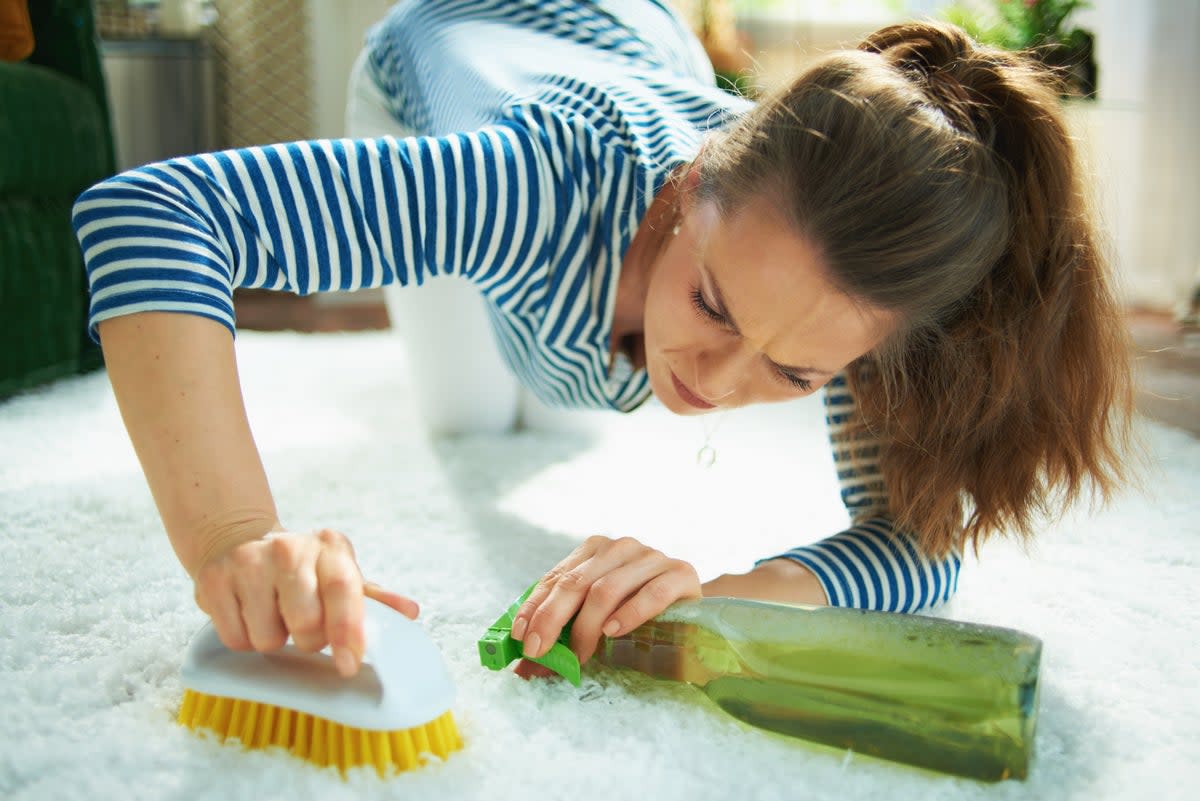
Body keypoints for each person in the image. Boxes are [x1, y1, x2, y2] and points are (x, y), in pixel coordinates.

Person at [72, 0, 1132, 679]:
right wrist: (235, 538)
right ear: (682, 194)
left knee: (571, 388)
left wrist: (713, 596)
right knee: (478, 418)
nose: (715, 383)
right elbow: (149, 217)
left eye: (796, 372)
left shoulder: (843, 291)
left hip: (640, 33)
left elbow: (922, 551)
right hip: (447, 51)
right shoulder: (518, 189)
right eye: (715, 305)